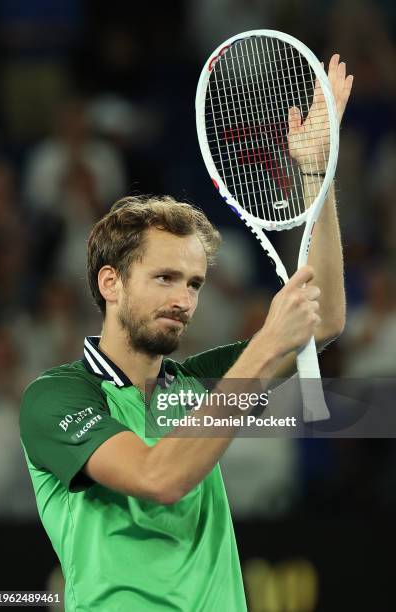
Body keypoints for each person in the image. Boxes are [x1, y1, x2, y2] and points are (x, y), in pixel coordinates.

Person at [19, 55, 353, 611]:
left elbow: (329, 319)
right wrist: (266, 345)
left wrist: (319, 175)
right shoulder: (56, 398)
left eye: (195, 283)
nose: (184, 299)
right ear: (111, 282)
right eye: (166, 278)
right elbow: (159, 477)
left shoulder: (199, 381)